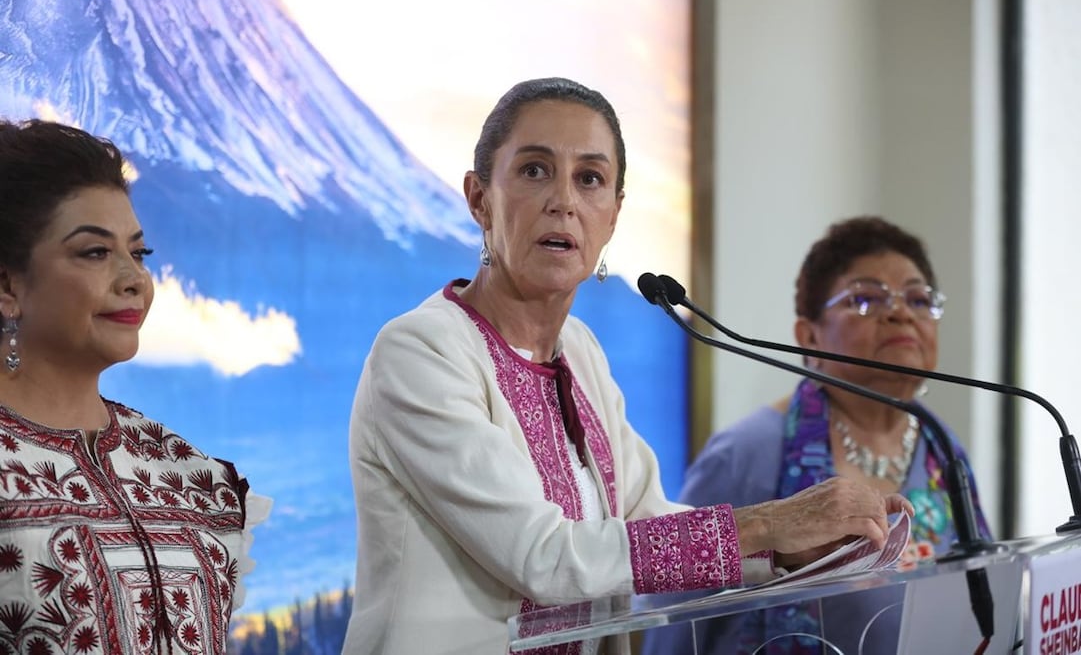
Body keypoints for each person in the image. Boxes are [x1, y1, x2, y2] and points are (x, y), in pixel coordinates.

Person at [341, 79, 912, 655]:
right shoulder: (419, 352)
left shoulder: (580, 351)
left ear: (613, 215)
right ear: (479, 198)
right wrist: (767, 524)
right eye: (535, 170)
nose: (563, 200)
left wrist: (788, 552)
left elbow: (647, 517)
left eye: (589, 179)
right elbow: (543, 556)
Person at [640, 216, 993, 655]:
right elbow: (672, 628)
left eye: (919, 300)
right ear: (808, 337)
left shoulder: (944, 449)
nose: (901, 312)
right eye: (866, 299)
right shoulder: (746, 453)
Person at [0, 120, 270, 654]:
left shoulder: (193, 477)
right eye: (95, 252)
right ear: (9, 286)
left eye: (139, 253)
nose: (134, 279)